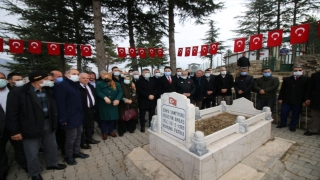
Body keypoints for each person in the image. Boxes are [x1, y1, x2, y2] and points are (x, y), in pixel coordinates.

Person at [6, 70, 66, 180]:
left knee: (51, 146)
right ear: (38, 80)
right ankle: (35, 173)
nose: (51, 81)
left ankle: (52, 163)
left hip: (48, 122)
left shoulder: (47, 90)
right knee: (32, 152)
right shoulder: (19, 92)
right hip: (30, 126)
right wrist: (14, 131)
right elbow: (12, 114)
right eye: (48, 79)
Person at [54, 68, 89, 165]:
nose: (76, 75)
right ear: (67, 75)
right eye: (74, 73)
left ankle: (76, 152)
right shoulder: (62, 86)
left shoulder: (75, 85)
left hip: (78, 115)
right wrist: (63, 118)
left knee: (78, 135)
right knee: (71, 137)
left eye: (77, 74)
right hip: (69, 117)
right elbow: (60, 104)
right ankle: (68, 156)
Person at [0, 72, 28, 180]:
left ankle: (26, 166)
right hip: (1, 128)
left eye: (2, 78)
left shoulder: (14, 91)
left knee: (20, 148)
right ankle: (3, 172)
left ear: (7, 80)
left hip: (15, 126)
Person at [277, 66, 309, 132]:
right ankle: (283, 124)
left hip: (298, 100)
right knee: (283, 112)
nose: (297, 72)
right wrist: (280, 98)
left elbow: (307, 91)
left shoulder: (306, 79)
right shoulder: (287, 79)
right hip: (287, 100)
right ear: (292, 71)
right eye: (295, 70)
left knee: (295, 114)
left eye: (299, 70)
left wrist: (305, 100)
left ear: (303, 71)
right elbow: (282, 89)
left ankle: (292, 126)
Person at [96, 73, 123, 139]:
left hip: (113, 103)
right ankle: (104, 133)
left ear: (110, 77)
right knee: (104, 119)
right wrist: (104, 97)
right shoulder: (99, 83)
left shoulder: (116, 84)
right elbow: (98, 92)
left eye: (107, 76)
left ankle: (111, 131)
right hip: (103, 104)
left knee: (112, 119)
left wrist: (117, 99)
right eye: (104, 77)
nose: (106, 78)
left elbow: (120, 92)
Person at [77, 73, 100, 149]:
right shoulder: (77, 88)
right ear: (79, 79)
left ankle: (89, 139)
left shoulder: (90, 86)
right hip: (82, 110)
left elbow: (94, 97)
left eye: (87, 78)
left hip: (91, 109)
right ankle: (82, 143)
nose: (86, 79)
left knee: (90, 125)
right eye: (83, 78)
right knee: (82, 127)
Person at [304, 70, 320, 136]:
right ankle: (313, 130)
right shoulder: (315, 75)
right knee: (315, 116)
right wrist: (307, 98)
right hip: (317, 100)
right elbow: (309, 88)